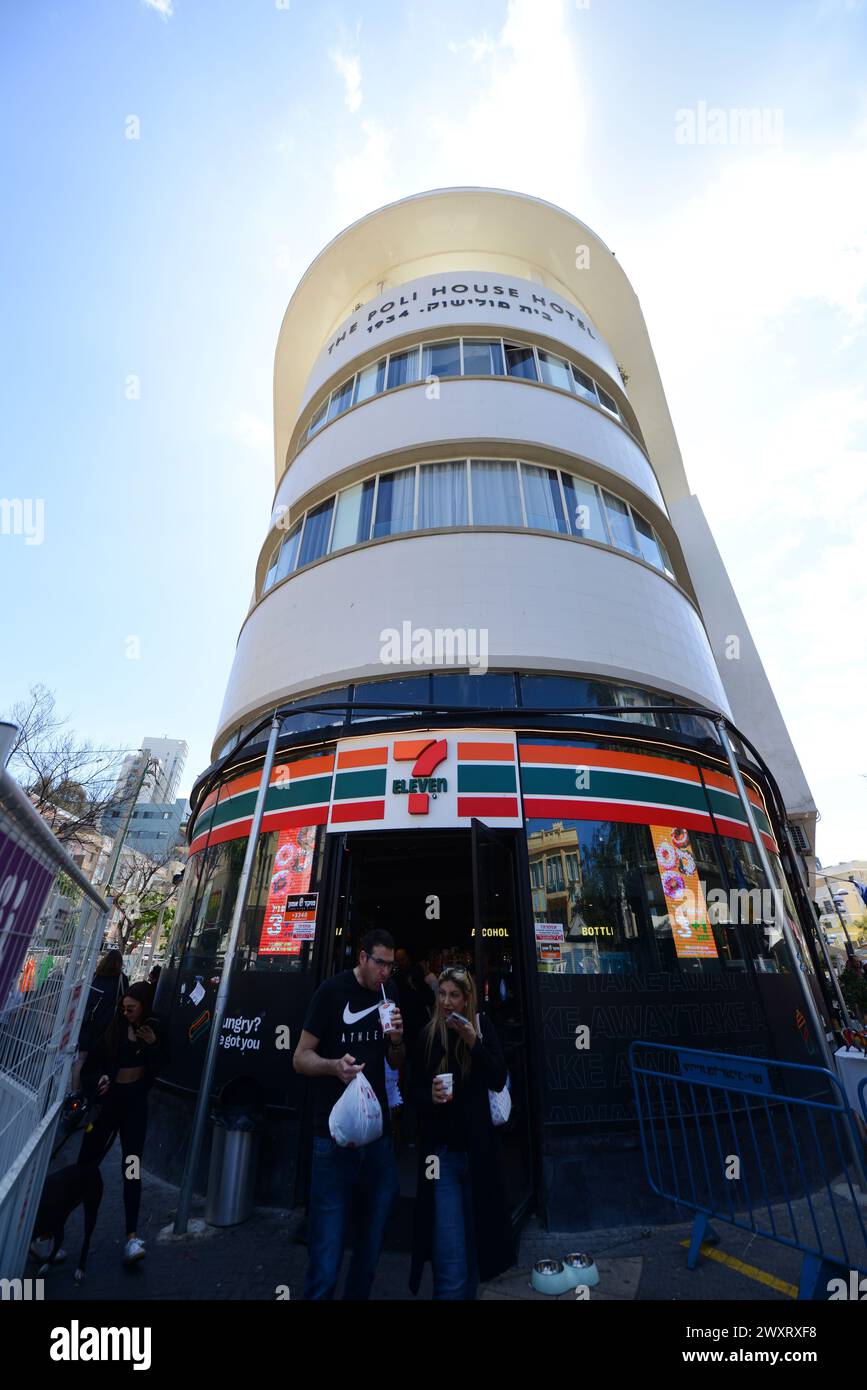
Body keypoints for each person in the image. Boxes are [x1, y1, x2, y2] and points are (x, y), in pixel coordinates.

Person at [293, 929, 404, 1300]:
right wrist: (333, 1067)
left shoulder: (391, 998)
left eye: (391, 964)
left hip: (378, 1138)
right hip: (333, 1137)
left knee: (370, 1249)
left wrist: (397, 1041)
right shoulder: (331, 992)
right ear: (362, 958)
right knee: (326, 1252)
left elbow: (396, 1063)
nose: (385, 972)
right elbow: (300, 1057)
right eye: (379, 963)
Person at [408, 965, 515, 1299]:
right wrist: (430, 1095)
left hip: (479, 1156)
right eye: (442, 994)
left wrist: (474, 1044)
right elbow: (410, 1090)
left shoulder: (482, 1031)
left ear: (467, 999)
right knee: (450, 1260)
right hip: (443, 1159)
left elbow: (498, 1077)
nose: (447, 1002)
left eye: (454, 995)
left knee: (474, 1251)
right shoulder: (428, 1035)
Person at [76, 982, 164, 1266]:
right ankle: (50, 1229)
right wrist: (100, 1079)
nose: (126, 1012)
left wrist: (152, 1045)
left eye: (132, 1008)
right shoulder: (113, 1029)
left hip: (135, 1106)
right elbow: (92, 1066)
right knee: (86, 1163)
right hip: (109, 1105)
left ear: (144, 1006)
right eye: (124, 1008)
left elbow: (162, 1064)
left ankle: (131, 1235)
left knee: (132, 1166)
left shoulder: (154, 1029)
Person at [69, 950, 130, 1099]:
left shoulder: (95, 976)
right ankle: (92, 1095)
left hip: (87, 1023)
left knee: (81, 1060)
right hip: (106, 1028)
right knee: (100, 1063)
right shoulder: (121, 979)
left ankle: (74, 1093)